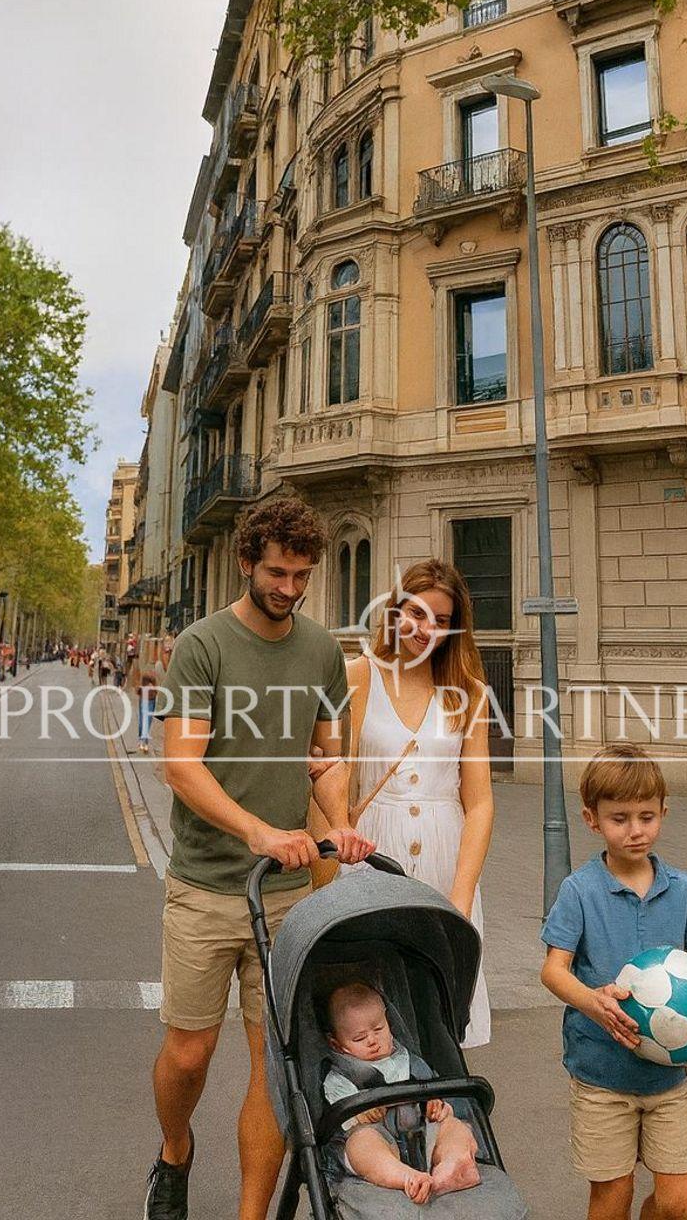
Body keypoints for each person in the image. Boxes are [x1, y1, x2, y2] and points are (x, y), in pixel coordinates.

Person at [143, 495, 376, 1220]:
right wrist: (257, 832)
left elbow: (324, 758)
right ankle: (175, 1149)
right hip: (208, 887)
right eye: (277, 571)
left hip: (288, 896)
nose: (290, 587)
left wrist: (340, 826)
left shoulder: (320, 652)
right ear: (247, 563)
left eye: (302, 574)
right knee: (188, 1055)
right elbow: (180, 764)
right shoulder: (203, 646)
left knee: (273, 1066)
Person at [540, 744, 687, 1220]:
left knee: (678, 1202)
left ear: (664, 813)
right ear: (592, 819)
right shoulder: (579, 891)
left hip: (667, 1077)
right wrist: (593, 1002)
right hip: (602, 1076)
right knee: (612, 1197)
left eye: (647, 816)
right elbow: (552, 970)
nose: (635, 830)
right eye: (619, 818)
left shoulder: (683, 890)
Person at [324, 559, 494, 1047]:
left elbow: (479, 803)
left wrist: (460, 899)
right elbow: (335, 773)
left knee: (441, 1018)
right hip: (374, 852)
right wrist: (336, 842)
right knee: (372, 1016)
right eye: (417, 614)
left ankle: (444, 1119)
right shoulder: (358, 676)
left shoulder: (470, 693)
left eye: (442, 621)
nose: (427, 630)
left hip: (446, 856)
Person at [320, 979, 481, 1205]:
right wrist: (360, 1114)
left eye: (378, 1029)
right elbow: (339, 1117)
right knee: (361, 1143)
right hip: (380, 1142)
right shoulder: (338, 1078)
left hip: (420, 1136)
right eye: (359, 1038)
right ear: (337, 1044)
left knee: (454, 1126)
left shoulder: (409, 1061)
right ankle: (407, 1177)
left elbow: (433, 1092)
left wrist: (437, 1105)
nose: (372, 1041)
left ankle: (453, 1165)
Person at [129, 645, 160, 753]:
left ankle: (143, 741)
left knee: (147, 720)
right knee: (144, 720)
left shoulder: (156, 668)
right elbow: (139, 684)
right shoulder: (144, 669)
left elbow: (156, 686)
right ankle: (143, 741)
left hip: (150, 699)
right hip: (145, 699)